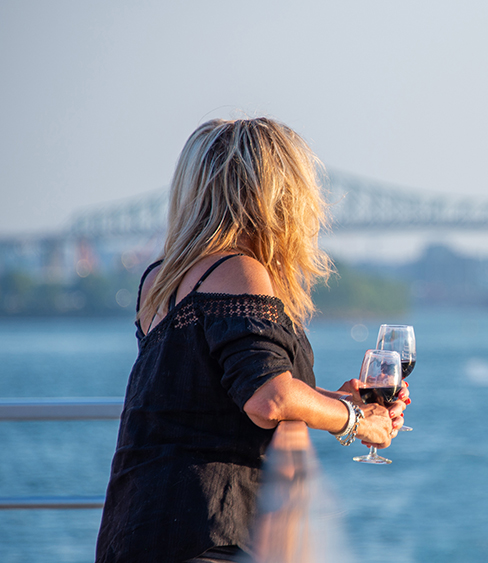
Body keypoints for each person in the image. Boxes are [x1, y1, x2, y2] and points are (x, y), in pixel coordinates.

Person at [96, 117, 408, 563]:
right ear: (280, 194)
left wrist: (338, 399)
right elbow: (269, 400)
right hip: (204, 534)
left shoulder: (162, 279)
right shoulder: (238, 271)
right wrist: (356, 422)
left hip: (136, 526)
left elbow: (211, 394)